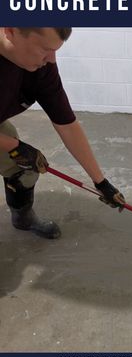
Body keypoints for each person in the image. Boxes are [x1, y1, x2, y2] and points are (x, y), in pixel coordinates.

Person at [0, 27, 125, 239]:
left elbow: (67, 124)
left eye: (55, 50)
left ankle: (23, 217)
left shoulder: (41, 67)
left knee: (23, 169)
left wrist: (101, 182)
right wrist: (13, 146)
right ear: (10, 31)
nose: (50, 59)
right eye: (45, 49)